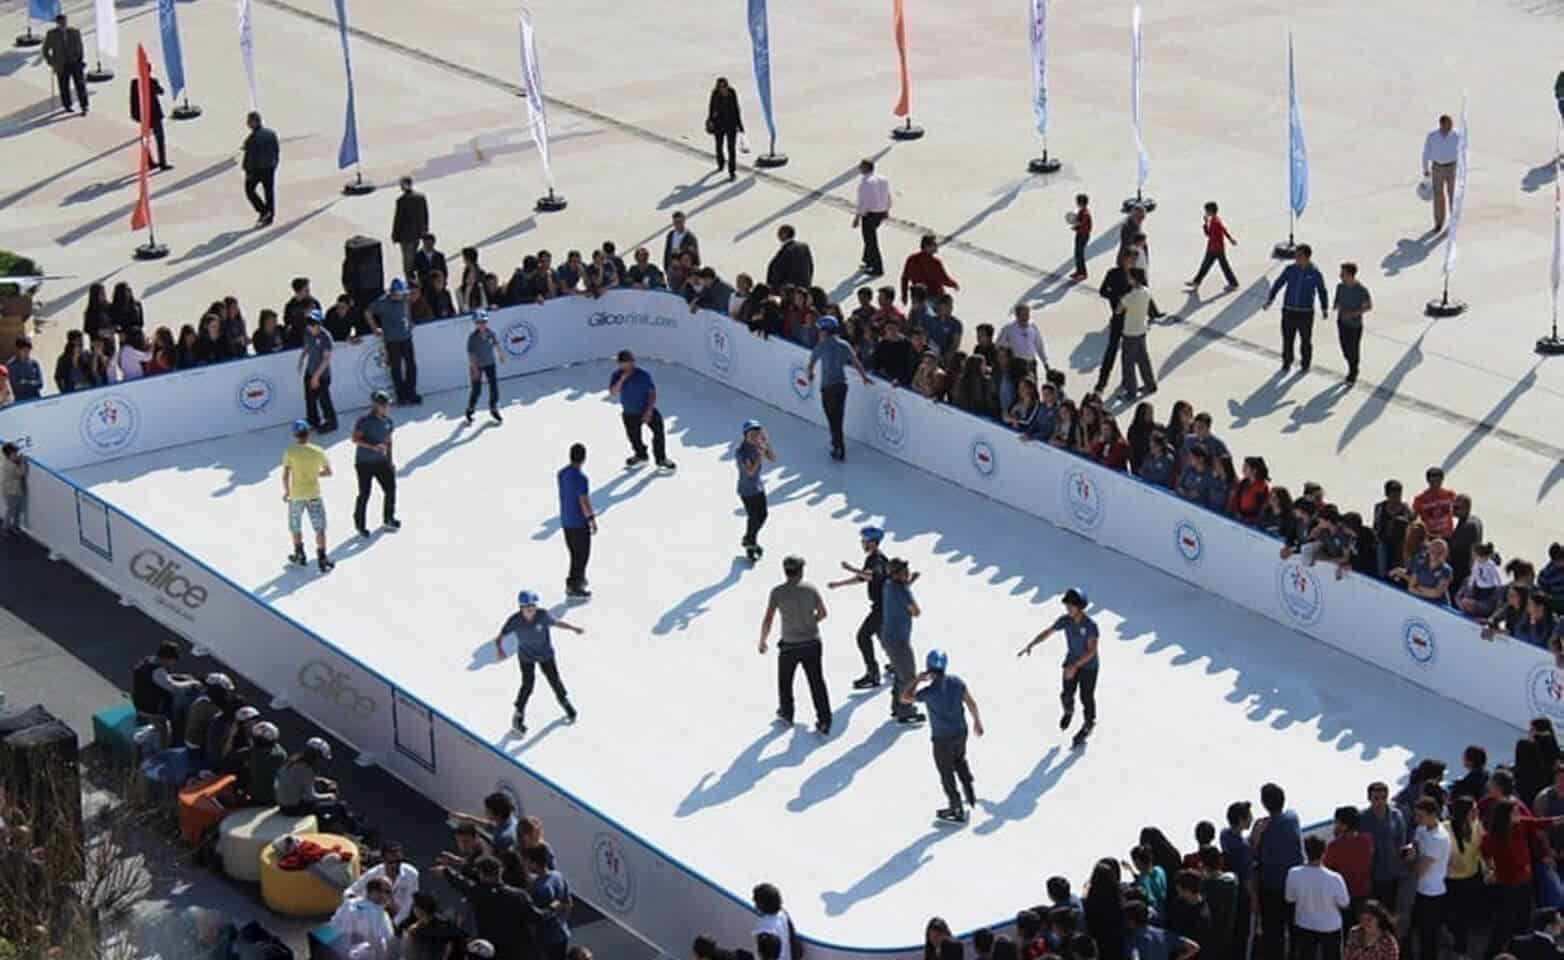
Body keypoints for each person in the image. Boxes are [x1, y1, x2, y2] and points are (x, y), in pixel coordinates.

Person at [901, 649, 983, 824]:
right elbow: (971, 703)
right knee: (960, 759)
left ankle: (956, 808)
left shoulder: (929, 692)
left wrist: (917, 679)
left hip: (942, 740)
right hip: (961, 732)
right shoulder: (957, 682)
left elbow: (904, 698)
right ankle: (968, 787)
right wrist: (977, 722)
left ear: (928, 667)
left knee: (946, 773)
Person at [759, 556, 833, 736]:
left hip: (789, 645)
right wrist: (810, 622)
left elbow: (768, 618)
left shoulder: (777, 592)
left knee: (785, 681)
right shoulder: (810, 589)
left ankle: (787, 712)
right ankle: (824, 720)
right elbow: (823, 613)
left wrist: (763, 640)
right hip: (812, 642)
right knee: (816, 681)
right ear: (801, 570)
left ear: (785, 571)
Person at [1016, 588, 1100, 748]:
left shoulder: (1090, 626)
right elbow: (1048, 632)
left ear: (1080, 607)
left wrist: (1075, 666)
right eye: (1067, 605)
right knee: (1066, 695)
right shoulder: (1065, 620)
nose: (1068, 608)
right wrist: (1032, 644)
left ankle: (1089, 723)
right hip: (1072, 661)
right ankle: (1069, 711)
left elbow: (1092, 651)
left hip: (1088, 666)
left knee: (1086, 697)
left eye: (1071, 606)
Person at [495, 591, 583, 735]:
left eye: (532, 606)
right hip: (526, 657)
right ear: (521, 607)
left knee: (555, 680)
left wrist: (573, 628)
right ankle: (518, 714)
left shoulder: (542, 615)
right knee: (527, 685)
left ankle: (564, 701)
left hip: (545, 655)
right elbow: (500, 636)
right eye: (527, 607)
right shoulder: (514, 621)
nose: (530, 609)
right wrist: (499, 649)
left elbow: (557, 623)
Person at [827, 526, 893, 690]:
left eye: (864, 541)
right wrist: (839, 584)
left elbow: (871, 575)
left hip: (881, 608)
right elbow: (863, 578)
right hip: (884, 606)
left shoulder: (877, 559)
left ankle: (873, 674)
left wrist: (851, 568)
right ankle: (897, 664)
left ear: (873, 543)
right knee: (882, 637)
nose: (862, 543)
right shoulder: (875, 558)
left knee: (863, 637)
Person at [1253, 782, 1306, 960]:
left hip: (1272, 887)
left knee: (1273, 935)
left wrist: (1257, 832)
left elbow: (1253, 852)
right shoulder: (1293, 818)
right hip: (1294, 885)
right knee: (1295, 929)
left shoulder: (1264, 829)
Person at [807, 318, 872, 461]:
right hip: (842, 385)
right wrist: (864, 377)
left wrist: (810, 373)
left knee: (832, 417)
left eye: (821, 330)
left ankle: (838, 446)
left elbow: (811, 362)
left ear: (826, 331)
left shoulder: (822, 346)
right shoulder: (844, 345)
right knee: (838, 416)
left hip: (828, 386)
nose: (819, 333)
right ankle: (836, 442)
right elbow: (856, 362)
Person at [1264, 243, 1329, 374]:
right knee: (1287, 338)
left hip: (1305, 313)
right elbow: (1278, 283)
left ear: (1307, 257)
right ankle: (1287, 361)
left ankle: (1305, 364)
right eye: (1295, 255)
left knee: (1305, 340)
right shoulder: (1290, 269)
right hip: (1289, 310)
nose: (1296, 258)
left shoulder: (1315, 273)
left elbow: (1322, 290)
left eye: (1299, 256)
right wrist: (1270, 299)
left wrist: (1324, 307)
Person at [281, 420, 335, 573]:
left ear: (295, 435)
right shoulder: (318, 451)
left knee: (295, 525)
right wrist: (315, 474)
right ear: (308, 433)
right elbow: (328, 472)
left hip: (296, 495)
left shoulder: (290, 451)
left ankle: (299, 554)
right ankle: (322, 558)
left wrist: (286, 492)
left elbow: (285, 475)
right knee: (319, 528)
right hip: (314, 494)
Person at [609, 350, 676, 471]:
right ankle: (641, 456)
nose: (629, 365)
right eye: (625, 363)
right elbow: (613, 392)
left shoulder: (643, 375)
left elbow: (652, 393)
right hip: (629, 413)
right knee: (634, 438)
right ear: (619, 364)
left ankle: (661, 459)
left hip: (646, 409)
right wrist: (622, 379)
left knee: (658, 431)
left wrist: (649, 411)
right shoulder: (616, 375)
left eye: (631, 362)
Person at [1286, 834, 1350, 960]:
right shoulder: (1335, 878)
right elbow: (1344, 903)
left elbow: (1290, 899)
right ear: (1324, 852)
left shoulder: (1293, 874)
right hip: (1330, 927)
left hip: (1304, 925)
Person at [130, 641, 203, 746]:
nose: (172, 663)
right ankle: (164, 750)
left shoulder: (147, 661)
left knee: (157, 722)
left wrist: (182, 677)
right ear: (166, 658)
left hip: (140, 702)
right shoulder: (157, 671)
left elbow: (159, 679)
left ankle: (155, 729)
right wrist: (191, 683)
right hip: (152, 708)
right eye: (172, 660)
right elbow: (172, 687)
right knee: (165, 728)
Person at [880, 559, 926, 724]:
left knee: (901, 673)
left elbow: (902, 591)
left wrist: (909, 582)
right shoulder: (902, 591)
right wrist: (909, 587)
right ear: (896, 574)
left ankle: (897, 706)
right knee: (909, 676)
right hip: (898, 641)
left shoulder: (888, 585)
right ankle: (905, 710)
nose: (907, 573)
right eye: (904, 571)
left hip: (889, 638)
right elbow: (916, 611)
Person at [1404, 798, 1450, 960]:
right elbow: (1415, 845)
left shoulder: (1439, 839)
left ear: (1433, 815)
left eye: (1420, 816)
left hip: (1432, 894)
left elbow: (1420, 870)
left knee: (1428, 937)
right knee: (1412, 930)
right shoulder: (1421, 828)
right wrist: (1409, 850)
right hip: (1418, 890)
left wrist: (1408, 861)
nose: (1417, 819)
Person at [352, 391, 400, 538]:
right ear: (375, 405)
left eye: (387, 405)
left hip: (381, 462)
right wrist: (373, 447)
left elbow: (388, 441)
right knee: (365, 494)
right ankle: (360, 525)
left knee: (390, 488)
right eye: (383, 405)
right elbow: (355, 439)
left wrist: (390, 461)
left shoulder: (388, 422)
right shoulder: (364, 421)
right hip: (364, 463)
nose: (386, 408)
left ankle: (388, 518)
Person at [344, 841, 420, 930]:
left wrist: (394, 923)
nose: (395, 865)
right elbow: (349, 891)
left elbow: (409, 903)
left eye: (399, 861)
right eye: (391, 862)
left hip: (399, 917)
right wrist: (356, 905)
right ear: (383, 860)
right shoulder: (374, 873)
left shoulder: (412, 874)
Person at [368, 279, 420, 406]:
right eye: (398, 294)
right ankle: (401, 396)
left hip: (406, 337)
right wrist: (375, 328)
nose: (401, 296)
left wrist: (409, 320)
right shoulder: (382, 302)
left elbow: (406, 308)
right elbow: (368, 312)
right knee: (396, 369)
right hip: (392, 340)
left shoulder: (404, 298)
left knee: (411, 366)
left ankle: (411, 393)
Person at [556, 444, 596, 600]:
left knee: (574, 553)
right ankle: (574, 586)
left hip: (566, 520)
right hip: (579, 522)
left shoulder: (562, 474)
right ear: (584, 458)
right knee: (582, 555)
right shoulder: (581, 478)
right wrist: (591, 519)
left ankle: (577, 580)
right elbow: (584, 500)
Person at [736, 420, 776, 562]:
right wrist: (759, 456)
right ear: (745, 435)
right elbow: (750, 472)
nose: (754, 436)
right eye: (751, 434)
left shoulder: (758, 444)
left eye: (757, 433)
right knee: (753, 517)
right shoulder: (742, 452)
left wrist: (766, 444)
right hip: (747, 491)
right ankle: (751, 544)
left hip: (758, 487)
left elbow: (773, 458)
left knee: (763, 515)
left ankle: (749, 538)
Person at [330, 875, 397, 958]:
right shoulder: (352, 906)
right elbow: (344, 935)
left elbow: (387, 939)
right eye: (388, 892)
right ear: (374, 892)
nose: (390, 896)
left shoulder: (382, 913)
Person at [1117, 268, 1158, 401]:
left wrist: (1121, 298)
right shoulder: (1146, 292)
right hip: (1141, 330)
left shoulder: (1130, 296)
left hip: (1130, 332)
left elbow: (1118, 310)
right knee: (1143, 359)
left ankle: (1131, 391)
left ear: (1134, 279)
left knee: (1128, 363)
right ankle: (1150, 384)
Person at [299, 309, 338, 432]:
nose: (310, 326)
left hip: (322, 374)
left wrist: (316, 376)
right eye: (309, 323)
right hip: (310, 370)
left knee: (324, 398)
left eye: (313, 323)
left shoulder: (325, 337)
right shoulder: (307, 332)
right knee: (309, 398)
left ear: (319, 324)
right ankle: (312, 420)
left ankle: (331, 421)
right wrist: (301, 358)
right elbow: (307, 346)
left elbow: (326, 359)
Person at [1333, 263, 1372, 384]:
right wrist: (1336, 305)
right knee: (1345, 348)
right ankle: (1351, 365)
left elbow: (1368, 306)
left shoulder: (1361, 290)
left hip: (1355, 325)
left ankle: (1353, 371)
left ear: (1350, 275)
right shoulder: (1340, 287)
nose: (1340, 275)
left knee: (1353, 349)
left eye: (1343, 273)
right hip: (1342, 322)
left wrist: (1354, 313)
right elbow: (1337, 300)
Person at [42, 14, 88, 115]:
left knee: (80, 85)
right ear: (57, 23)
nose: (63, 24)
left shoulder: (74, 32)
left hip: (75, 63)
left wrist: (80, 59)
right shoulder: (52, 34)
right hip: (61, 65)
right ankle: (67, 105)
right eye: (61, 22)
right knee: (64, 86)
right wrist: (51, 62)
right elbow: (45, 50)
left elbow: (80, 46)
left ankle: (84, 106)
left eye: (65, 22)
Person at [854, 158, 893, 277]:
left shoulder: (865, 182)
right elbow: (888, 195)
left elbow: (863, 202)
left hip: (870, 214)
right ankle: (868, 260)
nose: (859, 168)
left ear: (866, 168)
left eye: (861, 166)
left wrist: (857, 217)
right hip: (880, 213)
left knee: (871, 241)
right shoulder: (882, 179)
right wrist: (887, 209)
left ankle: (877, 267)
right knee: (869, 238)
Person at [1421, 115, 1460, 232]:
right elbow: (1426, 152)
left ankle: (1453, 222)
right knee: (1438, 196)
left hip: (1452, 167)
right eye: (1448, 124)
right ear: (1441, 124)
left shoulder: (1457, 136)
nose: (1451, 126)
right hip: (1437, 167)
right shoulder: (1432, 136)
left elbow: (1463, 151)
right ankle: (1439, 223)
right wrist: (1425, 168)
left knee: (1453, 195)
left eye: (1451, 124)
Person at [1187, 201, 1239, 290]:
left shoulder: (1216, 222)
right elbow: (1215, 232)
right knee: (1205, 265)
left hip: (1217, 249)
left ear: (1210, 211)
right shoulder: (1214, 220)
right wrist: (1206, 224)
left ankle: (1234, 284)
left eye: (1206, 211)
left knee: (1222, 266)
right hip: (1212, 248)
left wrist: (1230, 239)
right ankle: (1196, 282)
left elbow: (1216, 232)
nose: (1205, 212)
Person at [465, 310, 504, 425]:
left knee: (494, 387)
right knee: (477, 390)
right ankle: (470, 409)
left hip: (489, 364)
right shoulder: (472, 338)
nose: (481, 324)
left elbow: (496, 344)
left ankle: (493, 408)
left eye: (484, 322)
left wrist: (500, 355)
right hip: (476, 365)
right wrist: (475, 368)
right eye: (479, 322)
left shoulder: (491, 333)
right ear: (475, 323)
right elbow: (471, 354)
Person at [242, 111, 280, 227]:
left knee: (249, 190)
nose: (247, 124)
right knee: (269, 192)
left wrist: (246, 171)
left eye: (249, 121)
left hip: (257, 170)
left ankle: (263, 211)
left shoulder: (251, 139)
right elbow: (276, 150)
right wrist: (274, 164)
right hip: (270, 168)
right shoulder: (271, 134)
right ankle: (270, 216)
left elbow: (249, 158)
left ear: (253, 123)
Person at [128, 70, 170, 170]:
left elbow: (132, 100)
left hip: (144, 116)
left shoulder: (135, 83)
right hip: (154, 115)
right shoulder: (152, 81)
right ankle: (162, 163)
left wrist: (135, 115)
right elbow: (161, 91)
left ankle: (150, 162)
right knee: (159, 139)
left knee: (146, 139)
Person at [901, 234, 960, 303]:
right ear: (926, 246)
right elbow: (943, 279)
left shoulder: (911, 259)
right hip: (934, 296)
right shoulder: (935, 262)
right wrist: (954, 284)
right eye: (934, 244)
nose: (936, 246)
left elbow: (904, 278)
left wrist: (904, 295)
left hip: (918, 297)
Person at [392, 176, 431, 281]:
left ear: (405, 185)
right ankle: (414, 278)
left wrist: (395, 235)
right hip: (418, 234)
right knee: (414, 256)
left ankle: (410, 280)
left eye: (401, 184)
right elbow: (425, 215)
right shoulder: (421, 197)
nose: (400, 187)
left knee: (407, 260)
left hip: (405, 236)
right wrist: (425, 231)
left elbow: (398, 219)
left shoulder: (401, 200)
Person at [707, 77, 744, 181]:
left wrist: (740, 125)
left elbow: (737, 108)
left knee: (731, 148)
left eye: (724, 86)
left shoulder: (732, 92)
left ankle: (732, 171)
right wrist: (710, 121)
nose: (723, 88)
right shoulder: (715, 94)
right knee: (719, 146)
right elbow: (711, 108)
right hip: (719, 125)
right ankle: (721, 163)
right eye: (720, 87)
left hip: (731, 125)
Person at [1, 442, 26, 537]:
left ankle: (14, 527)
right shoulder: (10, 466)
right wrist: (22, 462)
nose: (16, 455)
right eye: (14, 454)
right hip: (12, 492)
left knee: (16, 510)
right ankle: (6, 528)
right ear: (10, 455)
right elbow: (21, 473)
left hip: (11, 491)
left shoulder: (7, 462)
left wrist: (18, 461)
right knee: (11, 510)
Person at [1070, 194, 1093, 282]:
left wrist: (1075, 225)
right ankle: (1078, 271)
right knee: (1077, 254)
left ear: (1081, 203)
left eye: (1077, 202)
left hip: (1083, 236)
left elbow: (1081, 223)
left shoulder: (1085, 213)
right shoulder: (1081, 211)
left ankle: (1083, 273)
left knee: (1079, 255)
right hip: (1080, 234)